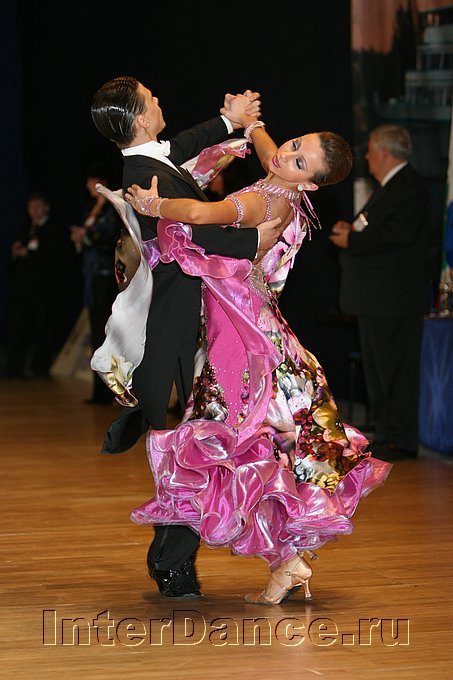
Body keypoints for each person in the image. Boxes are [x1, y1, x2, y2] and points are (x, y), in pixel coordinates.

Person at [121, 118, 392, 605]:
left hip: (241, 335)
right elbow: (271, 153)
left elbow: (201, 213)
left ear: (310, 182)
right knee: (258, 448)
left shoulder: (265, 201)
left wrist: (153, 206)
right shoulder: (284, 183)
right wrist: (255, 126)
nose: (285, 154)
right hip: (256, 324)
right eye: (294, 144)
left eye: (299, 159)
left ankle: (282, 560)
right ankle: (287, 562)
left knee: (231, 445)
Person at [90, 76, 285, 600]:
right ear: (139, 118)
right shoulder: (143, 176)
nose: (160, 100)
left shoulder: (150, 161)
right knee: (189, 444)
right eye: (152, 99)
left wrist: (228, 120)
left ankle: (172, 561)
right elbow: (190, 233)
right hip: (176, 327)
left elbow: (181, 146)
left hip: (186, 321)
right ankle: (172, 565)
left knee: (195, 443)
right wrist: (254, 239)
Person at [329, 124, 431, 462]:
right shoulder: (391, 188)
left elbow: (397, 235)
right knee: (380, 370)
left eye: (371, 150)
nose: (368, 157)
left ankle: (401, 439)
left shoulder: (408, 186)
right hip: (377, 298)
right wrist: (352, 230)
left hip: (394, 299)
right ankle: (387, 432)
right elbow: (377, 228)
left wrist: (354, 239)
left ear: (385, 152)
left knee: (396, 370)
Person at [70, 165, 122, 404]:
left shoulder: (112, 209)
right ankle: (99, 391)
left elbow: (110, 239)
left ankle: (114, 389)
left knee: (107, 331)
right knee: (97, 331)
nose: (87, 186)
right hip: (92, 275)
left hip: (106, 276)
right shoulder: (91, 208)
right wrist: (81, 237)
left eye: (91, 181)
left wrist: (87, 236)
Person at [6, 192, 73, 378]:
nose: (34, 211)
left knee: (44, 330)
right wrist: (15, 252)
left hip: (44, 290)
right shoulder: (25, 230)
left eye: (37, 207)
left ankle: (40, 368)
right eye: (31, 207)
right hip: (22, 290)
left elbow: (56, 259)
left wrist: (29, 255)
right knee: (17, 328)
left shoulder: (53, 231)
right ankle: (14, 368)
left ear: (46, 208)